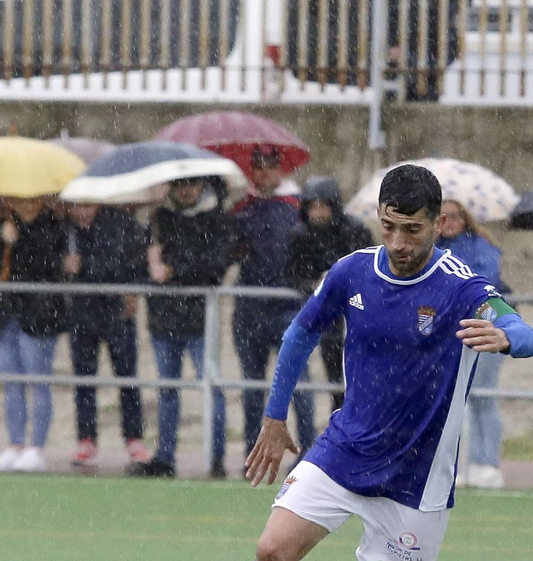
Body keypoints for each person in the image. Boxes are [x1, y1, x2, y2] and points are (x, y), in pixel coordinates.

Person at [190, 165, 533, 561]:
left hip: (417, 472)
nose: (399, 243)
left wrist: (508, 336)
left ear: (438, 224)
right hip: (343, 450)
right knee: (271, 552)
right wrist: (275, 418)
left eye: (413, 230)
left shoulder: (460, 285)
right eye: (389, 227)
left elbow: (525, 332)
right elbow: (301, 332)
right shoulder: (352, 272)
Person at [133, 177, 235, 479]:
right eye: (179, 184)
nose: (186, 190)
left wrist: (174, 269)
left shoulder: (217, 220)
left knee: (212, 387)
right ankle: (164, 457)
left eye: (191, 183)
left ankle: (215, 457)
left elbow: (215, 267)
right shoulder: (158, 219)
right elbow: (144, 262)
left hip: (201, 319)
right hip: (163, 318)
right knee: (167, 390)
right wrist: (150, 262)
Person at [232, 146, 314, 464]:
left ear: (281, 169)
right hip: (250, 310)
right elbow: (229, 250)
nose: (264, 172)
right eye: (258, 166)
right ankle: (253, 453)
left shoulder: (297, 206)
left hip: (289, 306)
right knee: (252, 388)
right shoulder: (242, 208)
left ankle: (307, 453)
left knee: (298, 384)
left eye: (270, 165)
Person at [65, 202, 150, 468]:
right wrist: (64, 266)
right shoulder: (65, 231)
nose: (82, 211)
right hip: (81, 313)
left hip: (117, 314)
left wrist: (132, 288)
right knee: (84, 379)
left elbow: (136, 263)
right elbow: (44, 266)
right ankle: (86, 439)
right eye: (77, 206)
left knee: (127, 378)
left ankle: (134, 438)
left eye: (88, 205)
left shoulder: (120, 224)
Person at [286, 176, 375, 420]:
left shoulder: (354, 230)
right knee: (336, 381)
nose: (319, 212)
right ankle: (340, 426)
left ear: (334, 206)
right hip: (328, 319)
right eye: (313, 206)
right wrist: (315, 285)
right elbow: (293, 274)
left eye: (324, 205)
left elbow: (370, 266)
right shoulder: (300, 236)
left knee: (362, 378)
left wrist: (345, 285)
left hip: (358, 314)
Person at [437, 199, 510, 490]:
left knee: (482, 395)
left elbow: (484, 283)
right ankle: (455, 463)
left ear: (465, 218)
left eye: (455, 216)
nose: (450, 222)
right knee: (453, 398)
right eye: (444, 217)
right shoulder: (433, 249)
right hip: (450, 331)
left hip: (485, 325)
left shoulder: (481, 246)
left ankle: (485, 462)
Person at [0, 195, 69, 472]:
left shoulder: (55, 226)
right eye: (19, 200)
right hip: (7, 314)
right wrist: (5, 241)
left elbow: (48, 267)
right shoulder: (6, 225)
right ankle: (15, 444)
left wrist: (20, 241)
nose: (26, 205)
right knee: (12, 383)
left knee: (38, 380)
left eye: (31, 200)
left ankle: (36, 447)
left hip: (40, 315)